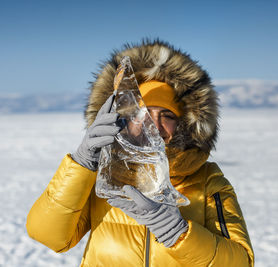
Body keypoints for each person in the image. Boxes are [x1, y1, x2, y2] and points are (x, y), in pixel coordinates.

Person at [26, 40, 254, 266]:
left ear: (185, 124)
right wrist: (82, 164)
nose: (153, 124)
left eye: (168, 115)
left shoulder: (208, 180)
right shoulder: (104, 176)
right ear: (123, 120)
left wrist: (177, 233)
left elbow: (241, 262)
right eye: (140, 114)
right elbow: (49, 236)